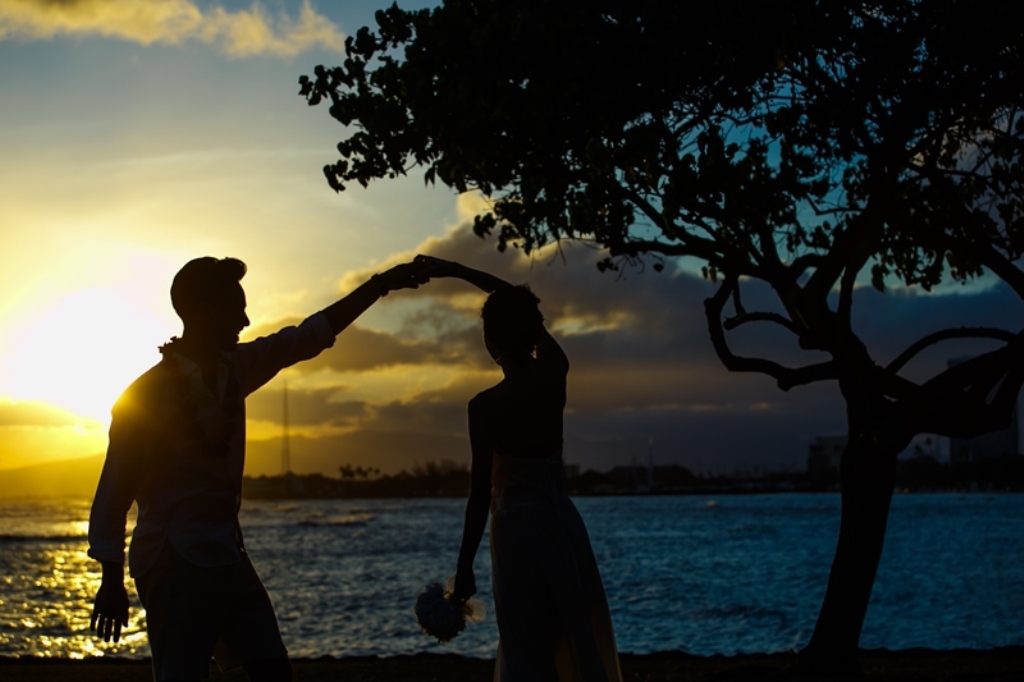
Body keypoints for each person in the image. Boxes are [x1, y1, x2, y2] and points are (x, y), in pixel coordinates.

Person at [88, 256, 427, 682]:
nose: (245, 321)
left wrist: (380, 285)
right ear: (202, 311)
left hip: (229, 554)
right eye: (236, 309)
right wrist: (111, 580)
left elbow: (308, 336)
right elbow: (113, 494)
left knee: (274, 672)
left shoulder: (237, 369)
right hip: (172, 561)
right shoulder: (145, 397)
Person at [417, 255, 622, 682]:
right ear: (532, 330)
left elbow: (480, 494)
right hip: (561, 521)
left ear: (489, 340)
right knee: (573, 632)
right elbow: (515, 301)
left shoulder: (485, 407)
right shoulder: (554, 373)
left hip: (515, 533)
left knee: (526, 646)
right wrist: (459, 270)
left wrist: (464, 567)